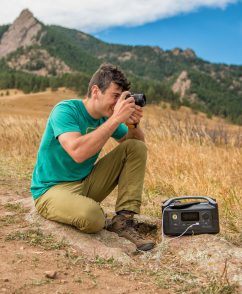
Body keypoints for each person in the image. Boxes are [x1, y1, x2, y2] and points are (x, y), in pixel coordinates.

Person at [30, 64, 155, 251]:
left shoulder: (107, 116)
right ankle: (95, 215)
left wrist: (133, 125)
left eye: (122, 98)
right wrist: (116, 119)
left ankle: (124, 221)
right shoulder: (65, 110)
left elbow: (137, 144)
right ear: (96, 91)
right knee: (93, 218)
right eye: (115, 96)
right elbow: (78, 152)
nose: (117, 104)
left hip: (85, 183)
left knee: (135, 147)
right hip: (51, 190)